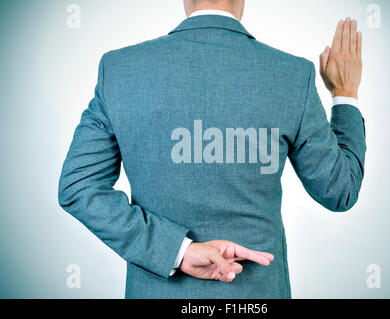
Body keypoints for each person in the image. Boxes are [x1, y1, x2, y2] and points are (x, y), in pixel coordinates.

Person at [58, 0, 366, 298]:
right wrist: (345, 95)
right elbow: (338, 190)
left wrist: (179, 252)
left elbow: (79, 188)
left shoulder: (120, 70)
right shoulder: (292, 75)